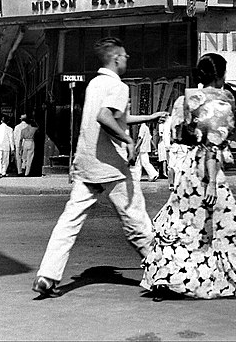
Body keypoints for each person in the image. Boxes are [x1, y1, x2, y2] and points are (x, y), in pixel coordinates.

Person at [32, 37, 166, 298]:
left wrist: (148, 117)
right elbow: (105, 117)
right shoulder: (118, 85)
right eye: (125, 55)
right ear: (116, 58)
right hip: (111, 166)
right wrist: (128, 140)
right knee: (136, 220)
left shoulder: (95, 84)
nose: (127, 58)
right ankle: (163, 274)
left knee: (69, 221)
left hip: (87, 163)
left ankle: (47, 276)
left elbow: (119, 118)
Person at [141, 53, 236, 301]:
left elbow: (179, 134)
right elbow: (215, 143)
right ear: (221, 75)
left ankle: (166, 278)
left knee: (184, 224)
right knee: (228, 226)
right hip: (209, 170)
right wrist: (212, 183)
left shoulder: (185, 99)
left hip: (186, 167)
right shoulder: (224, 100)